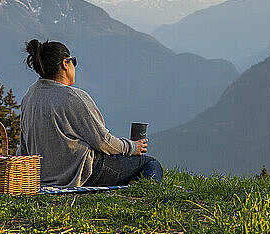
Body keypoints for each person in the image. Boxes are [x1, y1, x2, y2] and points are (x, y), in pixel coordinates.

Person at [16, 39, 163, 187]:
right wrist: (133, 147)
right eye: (73, 61)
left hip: (42, 176)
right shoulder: (73, 97)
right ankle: (145, 194)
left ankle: (131, 183)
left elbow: (23, 145)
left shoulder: (29, 97)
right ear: (65, 64)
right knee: (150, 163)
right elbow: (103, 142)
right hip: (81, 173)